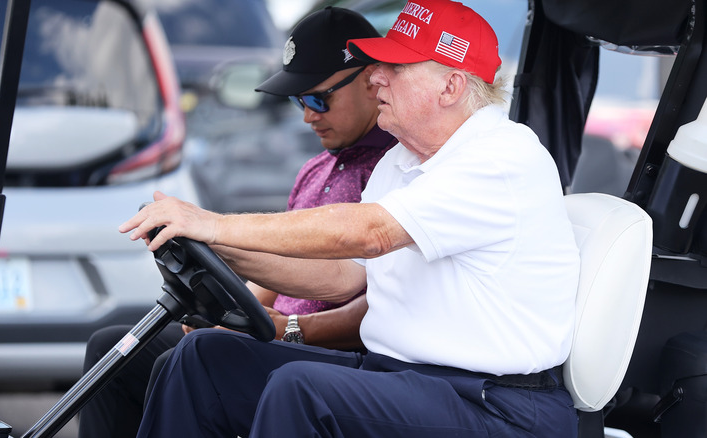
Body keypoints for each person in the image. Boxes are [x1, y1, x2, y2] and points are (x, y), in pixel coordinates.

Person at [123, 0, 582, 436]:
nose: (376, 77)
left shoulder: (501, 155)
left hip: (499, 406)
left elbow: (371, 234)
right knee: (204, 356)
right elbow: (341, 278)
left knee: (301, 390)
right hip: (406, 377)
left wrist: (214, 225)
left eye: (397, 67)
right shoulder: (402, 160)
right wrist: (220, 251)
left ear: (451, 86)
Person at [76, 7, 396, 438]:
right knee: (115, 349)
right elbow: (275, 276)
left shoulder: (395, 171)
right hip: (277, 335)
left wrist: (291, 330)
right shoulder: (317, 168)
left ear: (370, 78)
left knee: (193, 358)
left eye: (319, 98)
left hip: (335, 355)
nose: (307, 115)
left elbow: (369, 291)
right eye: (299, 101)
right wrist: (232, 310)